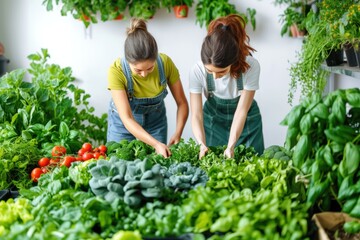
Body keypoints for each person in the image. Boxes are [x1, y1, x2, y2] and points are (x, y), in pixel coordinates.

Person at [107, 18, 189, 158]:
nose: (144, 74)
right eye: (138, 70)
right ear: (128, 60)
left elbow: (182, 103)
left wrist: (178, 132)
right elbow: (127, 118)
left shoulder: (165, 63)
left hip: (155, 123)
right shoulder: (116, 71)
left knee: (155, 169)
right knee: (118, 167)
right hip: (123, 126)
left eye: (150, 68)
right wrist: (156, 144)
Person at [189, 14, 264, 159]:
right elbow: (196, 114)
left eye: (222, 71)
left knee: (253, 165)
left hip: (246, 120)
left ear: (234, 60)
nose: (215, 76)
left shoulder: (251, 67)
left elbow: (241, 110)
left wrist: (231, 147)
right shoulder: (197, 70)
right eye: (210, 71)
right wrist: (201, 144)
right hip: (213, 121)